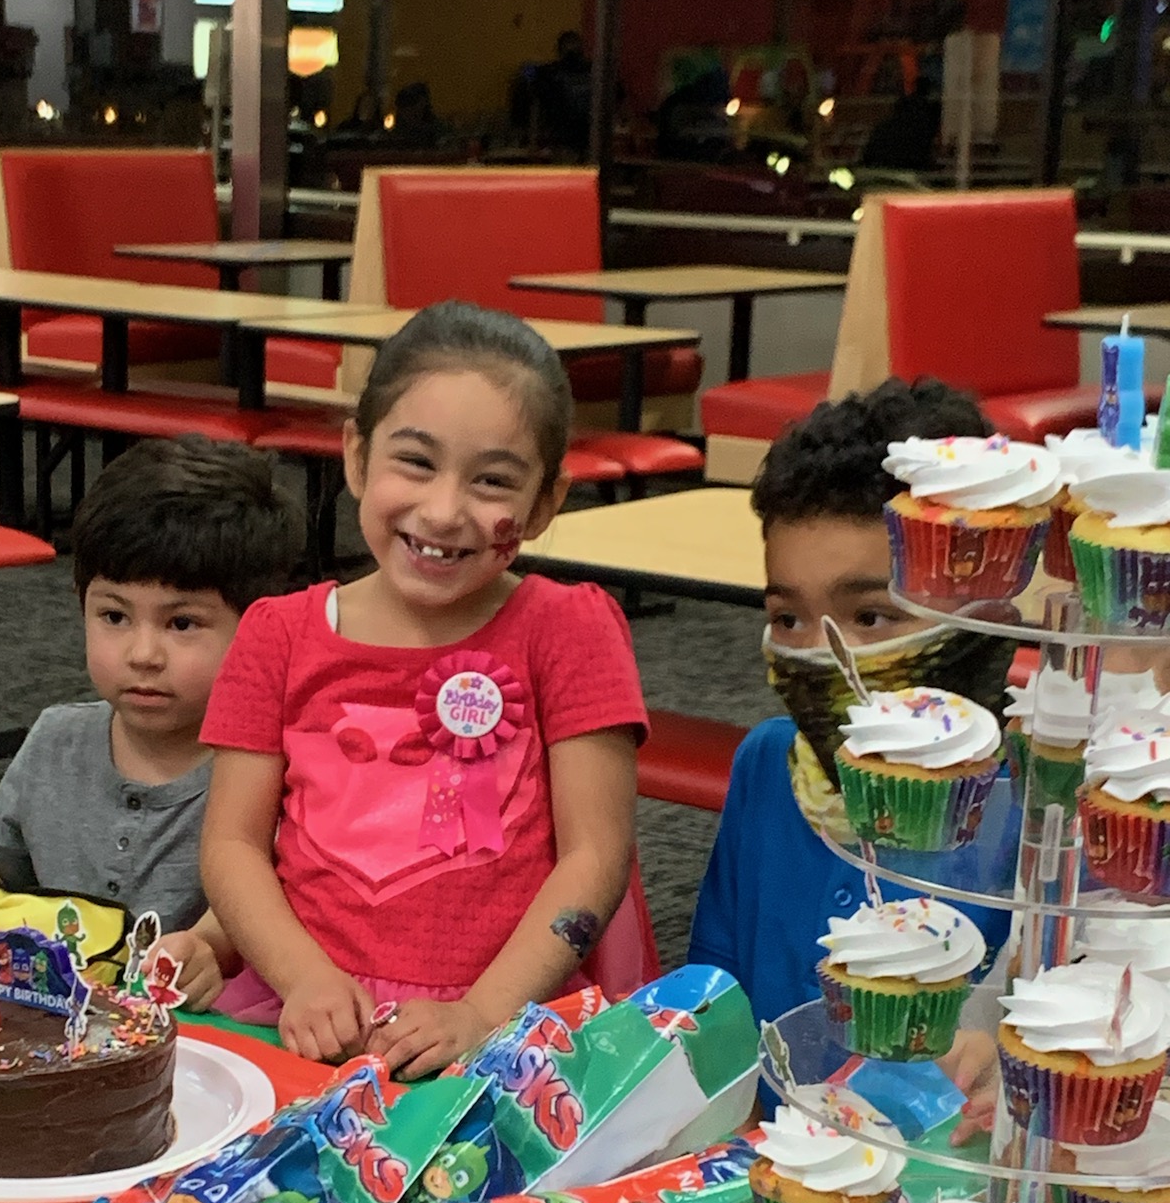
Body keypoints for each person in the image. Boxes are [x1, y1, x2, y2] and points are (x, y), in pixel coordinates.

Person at [199, 301, 649, 1078]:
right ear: (355, 456)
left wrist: (482, 1012)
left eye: (493, 481)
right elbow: (233, 844)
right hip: (304, 1016)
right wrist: (302, 977)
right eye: (415, 462)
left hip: (504, 1021)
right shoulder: (278, 633)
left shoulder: (570, 630)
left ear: (544, 505)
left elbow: (595, 855)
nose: (444, 510)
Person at [689, 378, 1016, 1127]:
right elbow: (715, 1000)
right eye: (788, 618)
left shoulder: (1043, 805)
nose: (826, 655)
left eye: (870, 616)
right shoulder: (769, 767)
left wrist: (1004, 1070)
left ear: (981, 618)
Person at [0, 436, 293, 1009]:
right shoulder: (57, 739)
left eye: (182, 624)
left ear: (258, 628)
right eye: (113, 616)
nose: (143, 654)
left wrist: (216, 953)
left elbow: (280, 918)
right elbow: (3, 876)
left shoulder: (269, 774)